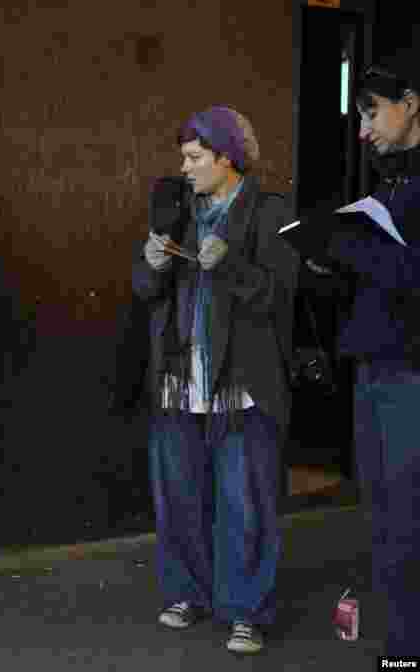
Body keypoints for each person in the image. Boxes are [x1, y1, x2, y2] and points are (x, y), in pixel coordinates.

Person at [134, 106, 299, 655]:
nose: (184, 167)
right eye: (184, 157)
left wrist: (228, 264)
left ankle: (246, 610)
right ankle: (188, 592)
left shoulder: (269, 212)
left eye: (194, 157)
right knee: (179, 495)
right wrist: (153, 262)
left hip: (241, 383)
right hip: (180, 379)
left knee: (244, 501)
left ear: (226, 158)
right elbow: (143, 287)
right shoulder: (177, 208)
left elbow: (281, 297)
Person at [302, 52, 420, 657]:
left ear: (411, 102)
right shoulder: (390, 182)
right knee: (382, 522)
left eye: (371, 111)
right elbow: (380, 276)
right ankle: (401, 645)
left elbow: (408, 272)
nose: (363, 127)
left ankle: (406, 651)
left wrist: (351, 251)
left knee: (404, 525)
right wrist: (328, 262)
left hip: (410, 375)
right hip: (374, 366)